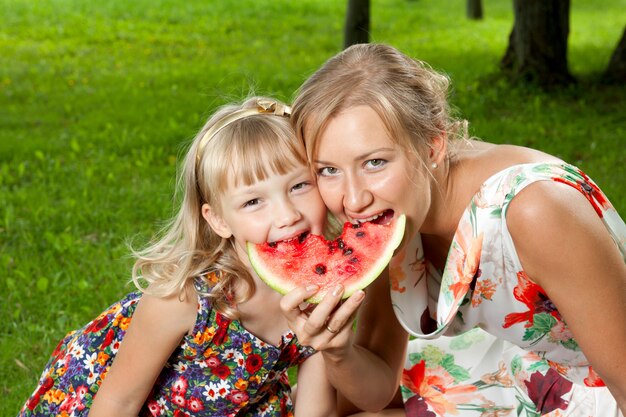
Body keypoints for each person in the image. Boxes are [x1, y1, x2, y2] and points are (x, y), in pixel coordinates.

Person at [280, 43, 626, 417]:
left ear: (433, 146)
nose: (352, 199)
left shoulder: (534, 209)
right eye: (328, 170)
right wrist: (336, 349)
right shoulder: (389, 221)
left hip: (601, 389)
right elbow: (373, 392)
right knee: (322, 401)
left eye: (375, 162)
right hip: (522, 366)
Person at [17, 97, 336, 417]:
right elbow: (118, 402)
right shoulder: (186, 298)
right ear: (219, 220)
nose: (286, 215)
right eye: (253, 202)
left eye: (299, 186)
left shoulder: (324, 288)